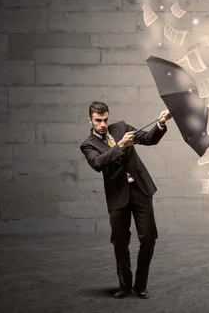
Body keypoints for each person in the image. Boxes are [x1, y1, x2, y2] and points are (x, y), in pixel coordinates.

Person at [79, 101, 172, 299]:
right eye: (98, 121)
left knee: (148, 238)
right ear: (90, 121)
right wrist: (120, 145)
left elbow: (148, 139)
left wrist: (161, 123)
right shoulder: (88, 144)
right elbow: (97, 163)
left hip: (140, 190)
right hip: (117, 196)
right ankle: (125, 286)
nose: (103, 124)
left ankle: (140, 286)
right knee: (120, 243)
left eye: (105, 119)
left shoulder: (121, 127)